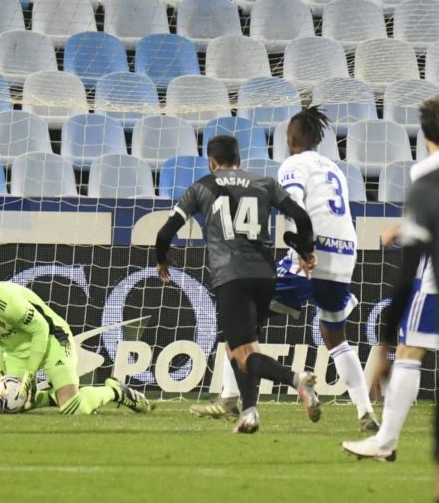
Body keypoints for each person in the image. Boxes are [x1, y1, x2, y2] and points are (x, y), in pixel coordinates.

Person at [191, 107, 379, 433]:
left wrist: (303, 249)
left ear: (290, 138)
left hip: (309, 256)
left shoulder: (293, 164)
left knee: (238, 317)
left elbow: (295, 206)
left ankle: (230, 399)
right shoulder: (334, 167)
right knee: (335, 337)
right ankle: (366, 412)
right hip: (345, 255)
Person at [156, 134, 321, 434]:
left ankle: (297, 380)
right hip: (265, 276)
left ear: (212, 161)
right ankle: (249, 412)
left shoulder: (202, 186)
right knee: (238, 349)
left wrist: (162, 260)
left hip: (231, 277)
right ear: (239, 160)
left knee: (245, 356)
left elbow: (165, 233)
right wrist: (307, 251)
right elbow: (301, 216)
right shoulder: (264, 183)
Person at [343, 97, 439, 462]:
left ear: (425, 135)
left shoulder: (425, 176)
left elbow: (412, 261)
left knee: (408, 350)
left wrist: (382, 343)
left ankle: (385, 442)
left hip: (434, 281)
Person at [0, 267, 152, 414]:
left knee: (72, 407)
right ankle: (50, 397)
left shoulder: (8, 304)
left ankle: (114, 390)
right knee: (10, 405)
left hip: (53, 339)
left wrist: (30, 375)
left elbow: (41, 330)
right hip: (17, 349)